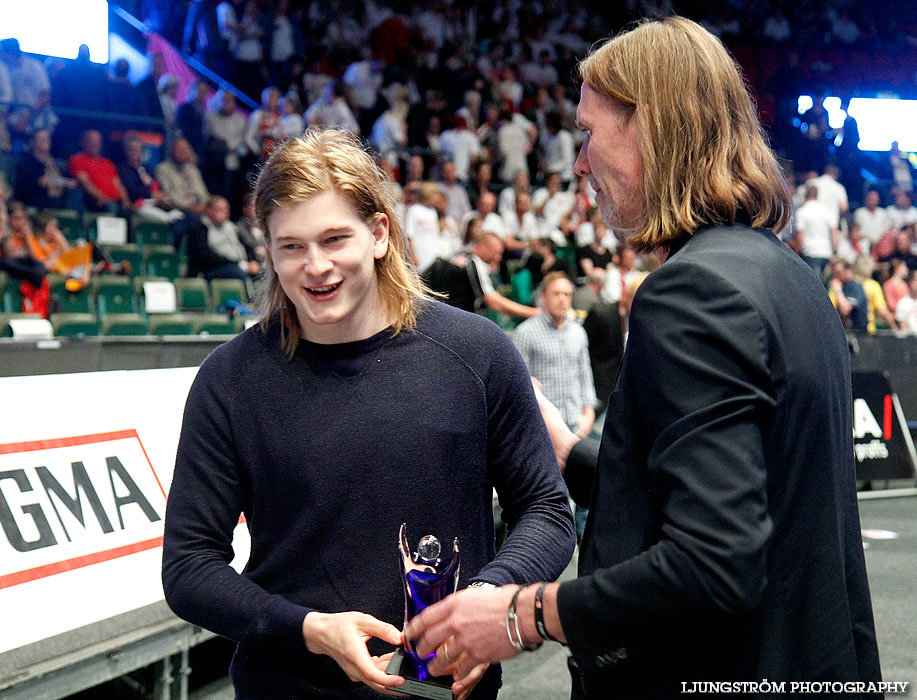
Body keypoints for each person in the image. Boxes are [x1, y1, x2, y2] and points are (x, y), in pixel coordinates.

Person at [404, 18, 880, 700]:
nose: (577, 163)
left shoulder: (690, 291)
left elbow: (715, 561)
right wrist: (573, 455)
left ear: (652, 128)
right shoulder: (788, 276)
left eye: (589, 133)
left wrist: (521, 614)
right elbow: (744, 494)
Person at [161, 129, 575, 700]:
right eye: (291, 246)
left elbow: (548, 510)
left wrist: (488, 601)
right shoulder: (230, 379)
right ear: (268, 248)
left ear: (379, 234)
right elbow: (188, 567)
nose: (316, 266)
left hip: (443, 692)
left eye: (335, 239)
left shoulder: (478, 353)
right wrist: (310, 631)